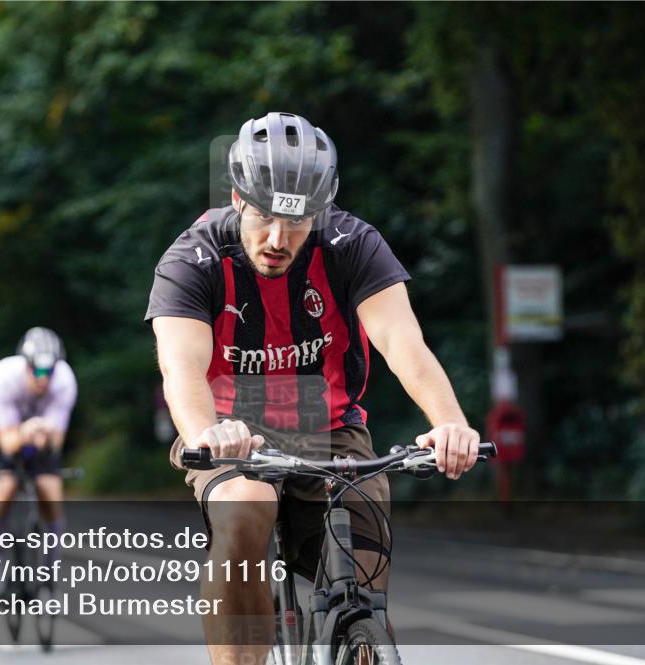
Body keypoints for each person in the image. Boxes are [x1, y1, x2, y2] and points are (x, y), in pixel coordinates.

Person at [145, 112, 481, 664]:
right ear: (238, 198)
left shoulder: (353, 246)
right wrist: (206, 434)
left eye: (298, 222)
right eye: (266, 218)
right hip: (234, 434)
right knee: (246, 508)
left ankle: (354, 636)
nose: (279, 239)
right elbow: (181, 368)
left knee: (364, 580)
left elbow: (403, 343)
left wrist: (450, 421)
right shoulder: (192, 260)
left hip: (332, 431)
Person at [0, 327, 78, 582]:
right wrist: (26, 431)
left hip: (36, 429)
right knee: (5, 485)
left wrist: (44, 437)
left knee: (50, 490)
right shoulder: (3, 378)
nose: (44, 378)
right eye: (38, 371)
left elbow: (56, 441)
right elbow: (8, 444)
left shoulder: (64, 381)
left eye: (50, 371)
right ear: (26, 366)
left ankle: (50, 572)